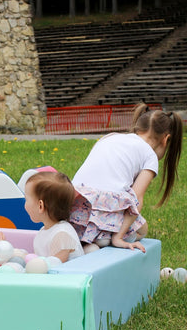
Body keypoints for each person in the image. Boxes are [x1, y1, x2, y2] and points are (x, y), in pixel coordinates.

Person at [70, 103, 183, 252]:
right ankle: (107, 237)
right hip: (103, 206)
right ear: (165, 139)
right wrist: (119, 237)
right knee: (143, 229)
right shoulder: (149, 155)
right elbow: (136, 199)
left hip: (72, 203)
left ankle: (92, 237)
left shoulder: (110, 137)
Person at [0, 171, 84, 263]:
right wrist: (6, 250)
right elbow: (35, 260)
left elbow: (53, 267)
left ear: (40, 206)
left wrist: (15, 255)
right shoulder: (45, 230)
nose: (24, 204)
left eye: (26, 199)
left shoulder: (62, 234)